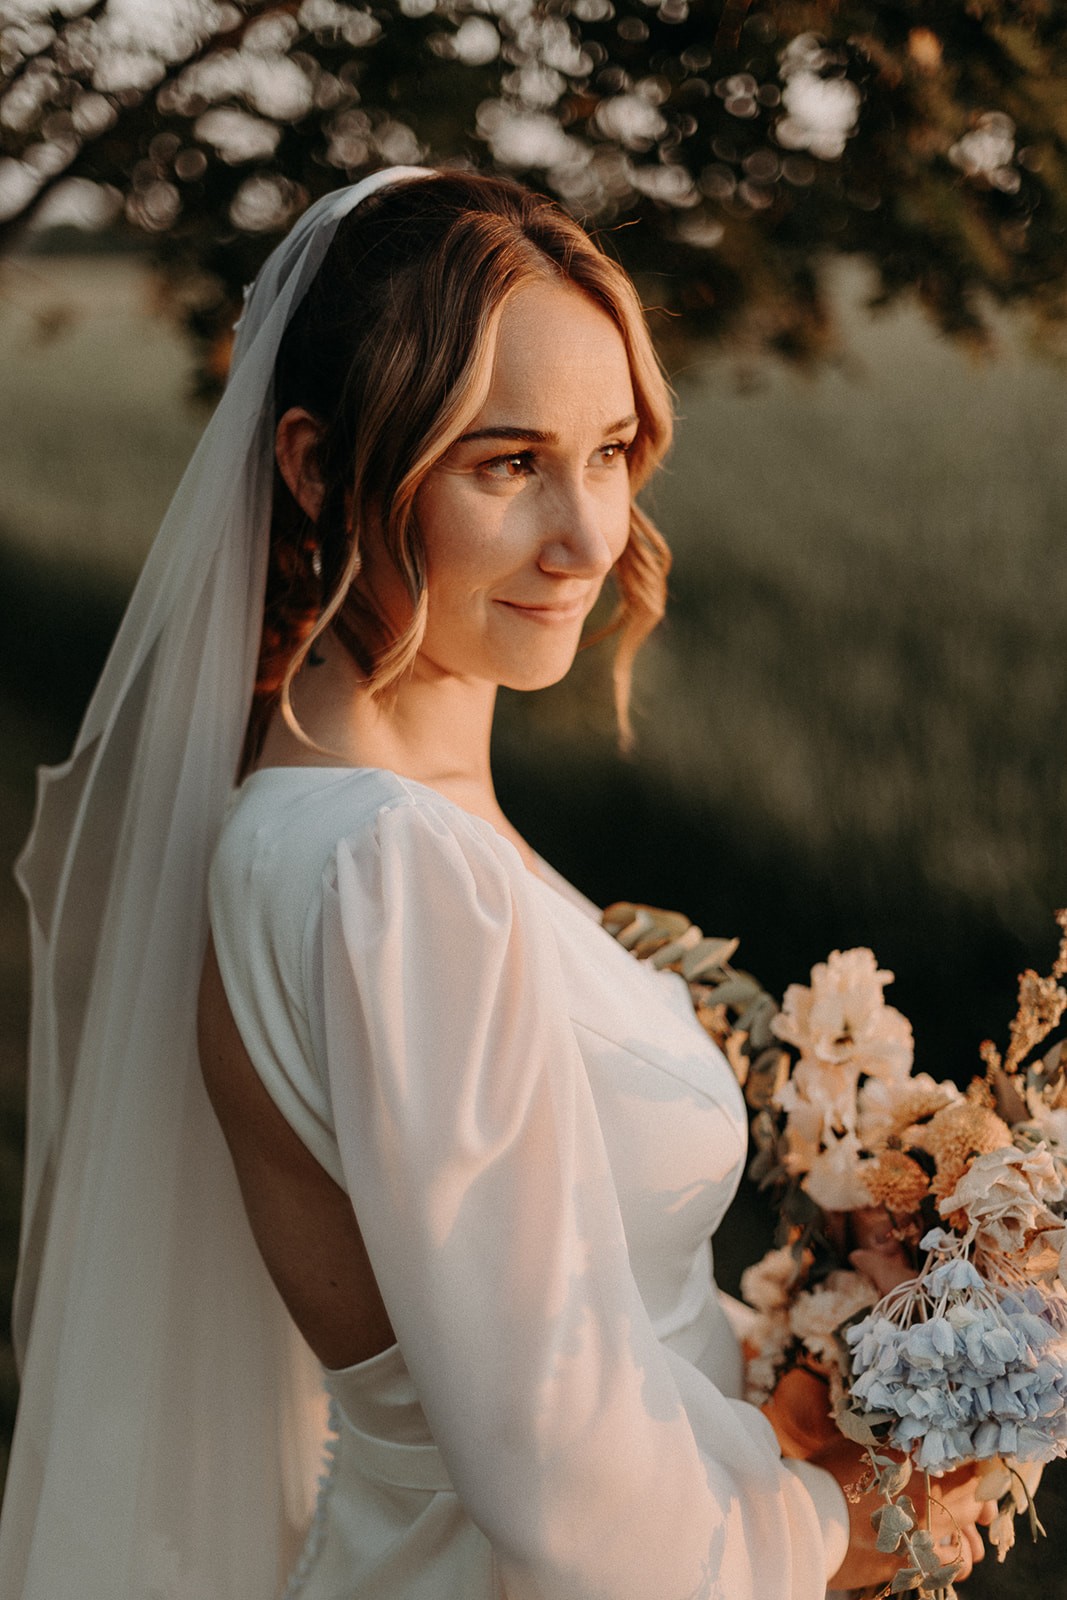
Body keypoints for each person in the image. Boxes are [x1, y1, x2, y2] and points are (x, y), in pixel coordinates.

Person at [0, 166, 993, 1599]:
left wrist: (836, 1343)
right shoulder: (386, 871)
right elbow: (567, 1484)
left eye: (608, 451)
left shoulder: (374, 827)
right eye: (508, 463)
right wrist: (844, 1528)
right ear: (316, 466)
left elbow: (563, 1318)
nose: (591, 538)